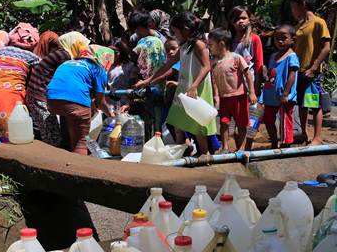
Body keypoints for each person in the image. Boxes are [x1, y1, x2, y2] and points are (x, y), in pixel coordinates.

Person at [136, 12, 216, 155]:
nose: (174, 34)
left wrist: (194, 86)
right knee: (176, 122)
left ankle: (205, 154)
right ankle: (184, 150)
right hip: (184, 88)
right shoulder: (184, 46)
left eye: (175, 31)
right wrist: (149, 80)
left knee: (198, 124)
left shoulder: (199, 44)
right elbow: (168, 65)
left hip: (197, 88)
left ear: (185, 29)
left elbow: (206, 66)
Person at [47, 45, 115, 154]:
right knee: (81, 142)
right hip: (75, 100)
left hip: (52, 99)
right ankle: (78, 170)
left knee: (72, 133)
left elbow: (73, 84)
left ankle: (69, 163)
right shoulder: (98, 68)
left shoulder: (68, 63)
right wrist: (112, 116)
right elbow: (101, 102)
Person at [26, 31, 85, 146]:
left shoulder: (60, 54)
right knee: (53, 136)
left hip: (34, 95)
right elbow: (67, 79)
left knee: (48, 133)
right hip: (39, 96)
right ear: (74, 44)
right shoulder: (64, 56)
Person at [290, 0, 331, 145]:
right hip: (299, 71)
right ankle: (304, 134)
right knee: (302, 104)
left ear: (303, 4)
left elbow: (326, 47)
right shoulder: (300, 25)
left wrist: (313, 68)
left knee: (314, 104)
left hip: (311, 72)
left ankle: (317, 137)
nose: (293, 10)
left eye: (294, 6)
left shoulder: (319, 23)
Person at [208, 28, 257, 151]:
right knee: (224, 123)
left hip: (239, 97)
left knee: (241, 124)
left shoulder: (236, 57)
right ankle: (225, 148)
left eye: (210, 45)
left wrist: (251, 92)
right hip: (224, 98)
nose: (209, 47)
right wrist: (216, 95)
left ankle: (241, 149)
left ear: (221, 44)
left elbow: (248, 75)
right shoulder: (214, 62)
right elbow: (214, 79)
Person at [261, 25, 299, 149]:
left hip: (284, 95)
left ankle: (285, 144)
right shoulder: (273, 56)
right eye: (277, 38)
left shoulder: (292, 56)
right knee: (267, 118)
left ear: (293, 39)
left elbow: (292, 75)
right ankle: (273, 142)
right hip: (271, 94)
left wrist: (286, 93)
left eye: (284, 38)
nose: (280, 41)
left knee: (285, 120)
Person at [227, 6, 264, 96]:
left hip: (248, 84)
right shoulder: (228, 39)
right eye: (236, 19)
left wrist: (257, 86)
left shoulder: (254, 39)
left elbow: (259, 64)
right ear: (231, 21)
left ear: (249, 20)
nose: (240, 21)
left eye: (243, 18)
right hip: (230, 83)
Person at [108, 37, 139, 109]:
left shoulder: (130, 67)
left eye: (115, 52)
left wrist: (129, 104)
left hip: (124, 105)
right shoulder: (105, 66)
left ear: (121, 52)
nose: (112, 55)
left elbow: (133, 87)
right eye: (109, 51)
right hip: (109, 106)